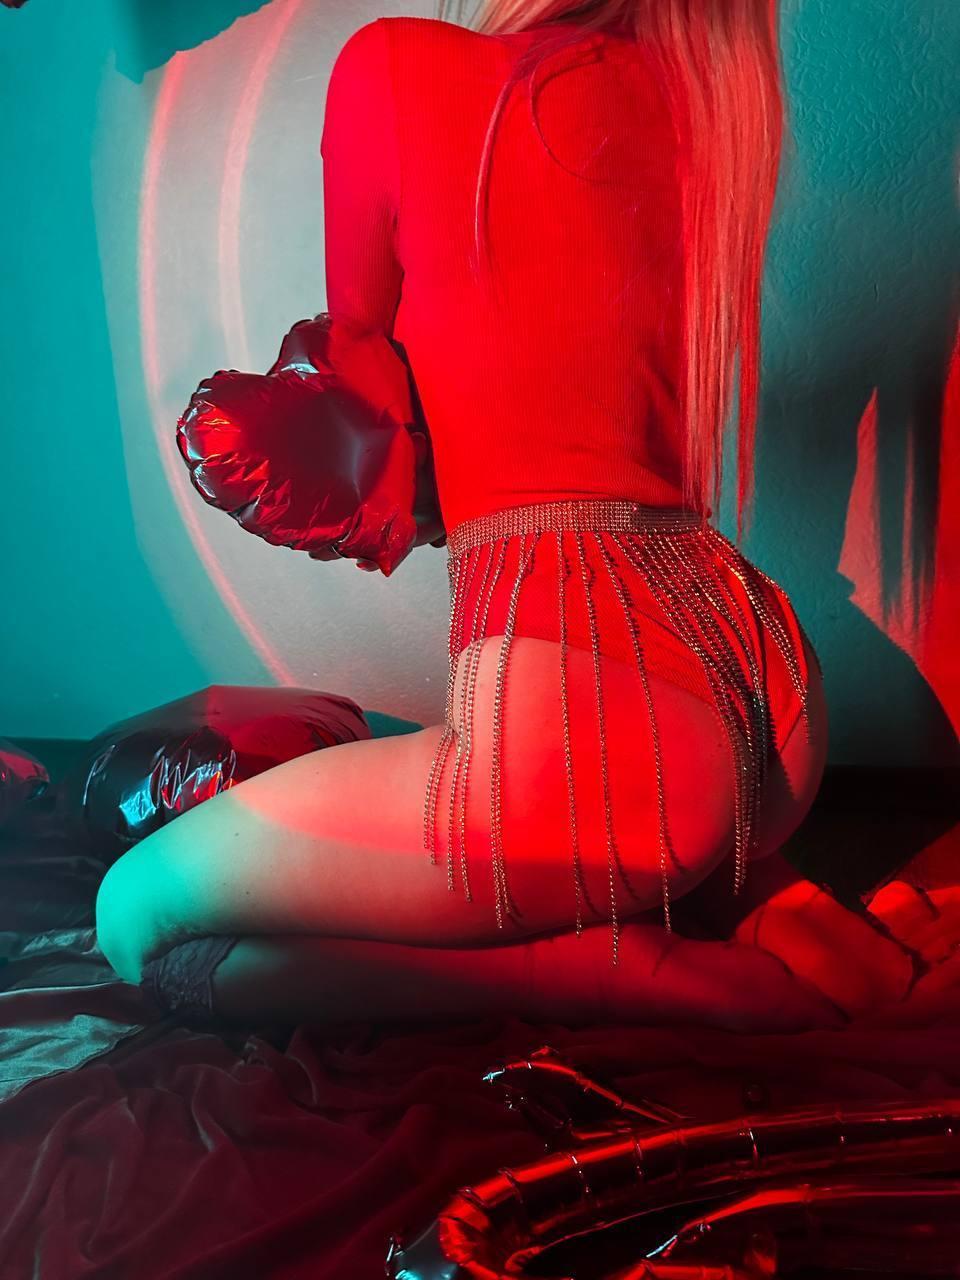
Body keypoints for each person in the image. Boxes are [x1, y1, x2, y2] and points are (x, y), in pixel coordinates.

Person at [95, 2, 862, 1033]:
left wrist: (272, 450)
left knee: (132, 917)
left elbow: (368, 412)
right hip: (763, 680)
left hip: (600, 743)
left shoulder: (394, 68)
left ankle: (615, 976)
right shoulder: (712, 105)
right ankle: (733, 897)